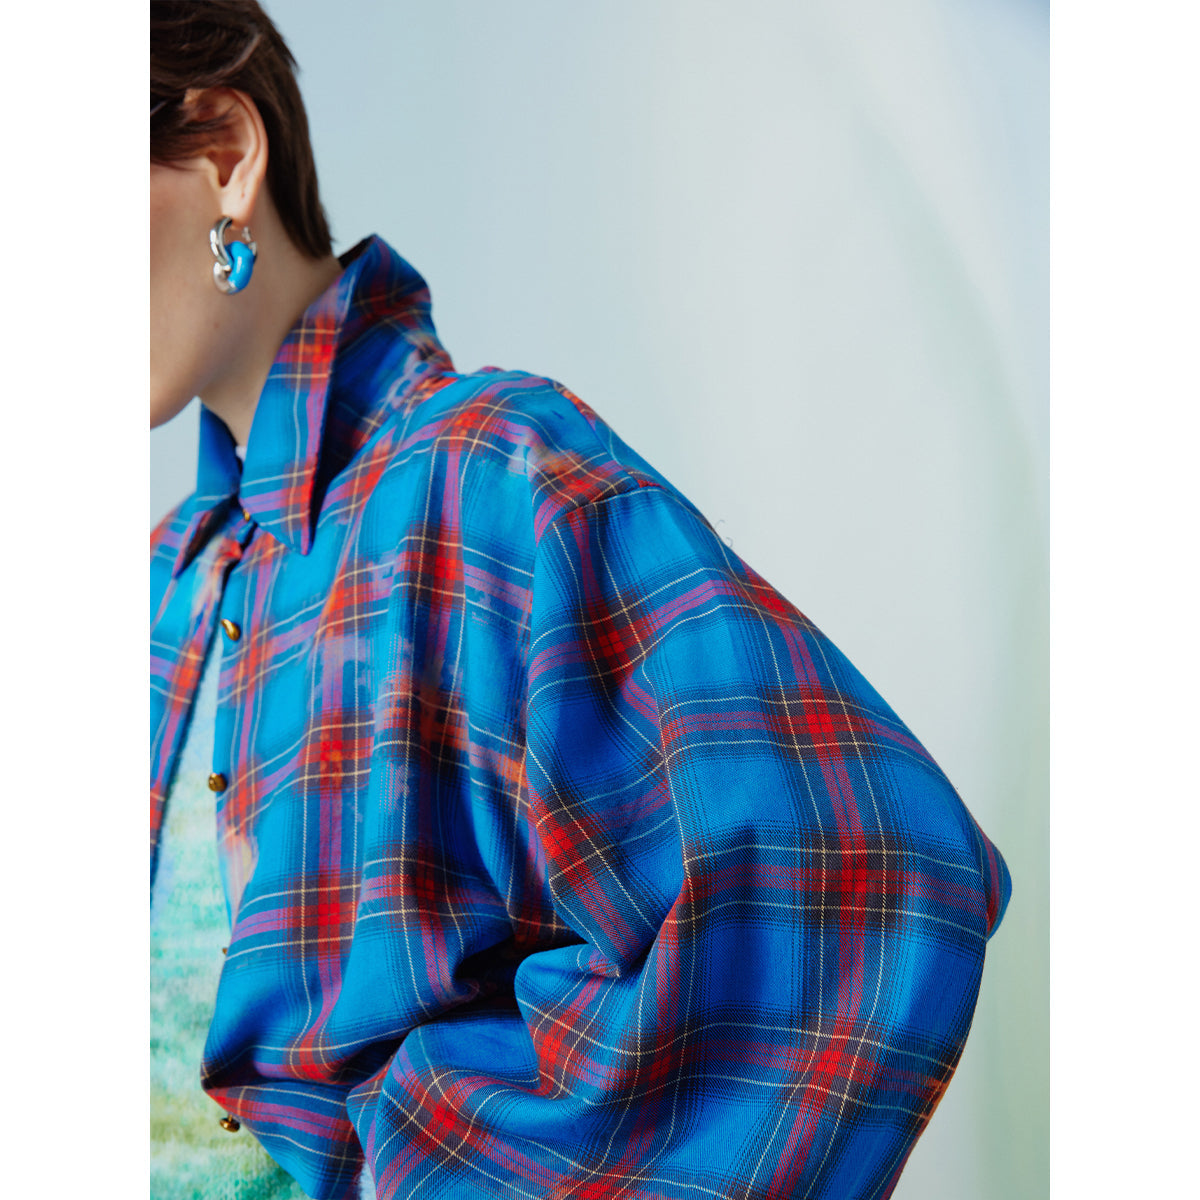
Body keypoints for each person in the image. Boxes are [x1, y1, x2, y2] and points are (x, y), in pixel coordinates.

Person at [150, 3, 1012, 1198]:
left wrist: (449, 1159)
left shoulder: (486, 475)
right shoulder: (166, 583)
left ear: (223, 151)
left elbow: (873, 876)